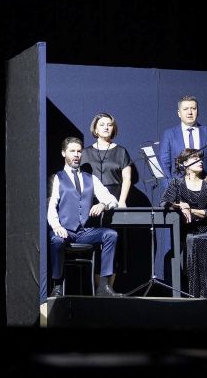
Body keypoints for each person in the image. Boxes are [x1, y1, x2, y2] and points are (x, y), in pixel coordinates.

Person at [155, 95, 207, 283]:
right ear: (178, 113)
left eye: (193, 108)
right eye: (185, 109)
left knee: (202, 246)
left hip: (203, 197)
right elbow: (165, 166)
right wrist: (176, 197)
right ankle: (175, 287)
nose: (189, 112)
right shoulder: (169, 134)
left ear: (198, 111)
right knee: (177, 245)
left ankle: (203, 286)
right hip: (179, 199)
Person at [48, 136, 122, 297]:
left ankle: (103, 286)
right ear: (63, 153)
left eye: (79, 151)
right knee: (56, 240)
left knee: (111, 235)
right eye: (72, 151)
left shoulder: (90, 178)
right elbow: (51, 205)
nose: (76, 155)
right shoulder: (58, 178)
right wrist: (56, 226)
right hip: (65, 230)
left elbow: (112, 200)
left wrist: (103, 204)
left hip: (84, 232)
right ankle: (57, 285)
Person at [160, 148, 207, 298]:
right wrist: (180, 205)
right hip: (186, 231)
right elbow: (164, 203)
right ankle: (194, 292)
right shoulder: (176, 183)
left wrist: (190, 209)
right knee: (191, 240)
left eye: (200, 158)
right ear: (184, 164)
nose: (200, 161)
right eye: (195, 159)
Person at [80, 112, 133, 289]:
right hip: (91, 203)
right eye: (102, 124)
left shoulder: (121, 151)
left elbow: (127, 178)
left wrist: (122, 201)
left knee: (113, 244)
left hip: (114, 201)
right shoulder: (85, 152)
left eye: (109, 124)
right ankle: (97, 290)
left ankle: (108, 288)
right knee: (96, 246)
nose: (106, 127)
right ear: (95, 129)